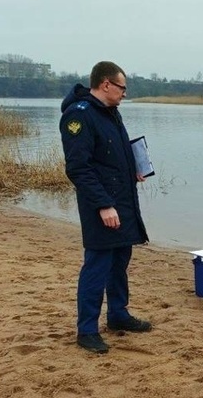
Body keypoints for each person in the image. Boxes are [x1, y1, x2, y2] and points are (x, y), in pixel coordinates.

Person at [59, 61, 151, 354]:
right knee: (96, 267)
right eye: (122, 87)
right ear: (106, 84)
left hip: (122, 201)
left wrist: (134, 169)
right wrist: (103, 205)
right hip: (102, 206)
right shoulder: (79, 116)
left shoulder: (111, 113)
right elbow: (78, 167)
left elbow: (111, 155)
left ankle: (118, 315)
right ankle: (87, 329)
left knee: (119, 262)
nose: (125, 93)